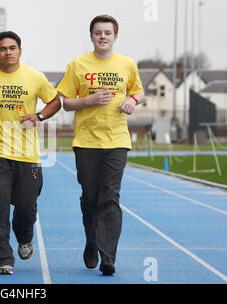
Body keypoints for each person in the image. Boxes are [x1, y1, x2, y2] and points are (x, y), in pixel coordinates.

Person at [56, 15, 144, 276]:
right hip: (86, 142)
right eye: (98, 32)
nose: (103, 36)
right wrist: (89, 100)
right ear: (91, 36)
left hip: (117, 140)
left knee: (110, 197)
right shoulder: (77, 64)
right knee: (90, 198)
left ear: (115, 37)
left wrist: (133, 101)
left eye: (107, 32)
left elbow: (137, 91)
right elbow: (66, 102)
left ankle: (108, 256)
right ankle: (92, 241)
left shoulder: (127, 64)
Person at [0, 31, 61, 275]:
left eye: (12, 47)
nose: (7, 52)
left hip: (28, 155)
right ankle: (3, 259)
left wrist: (39, 115)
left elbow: (55, 102)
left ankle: (25, 237)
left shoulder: (35, 77)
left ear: (20, 50)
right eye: (2, 48)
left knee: (26, 207)